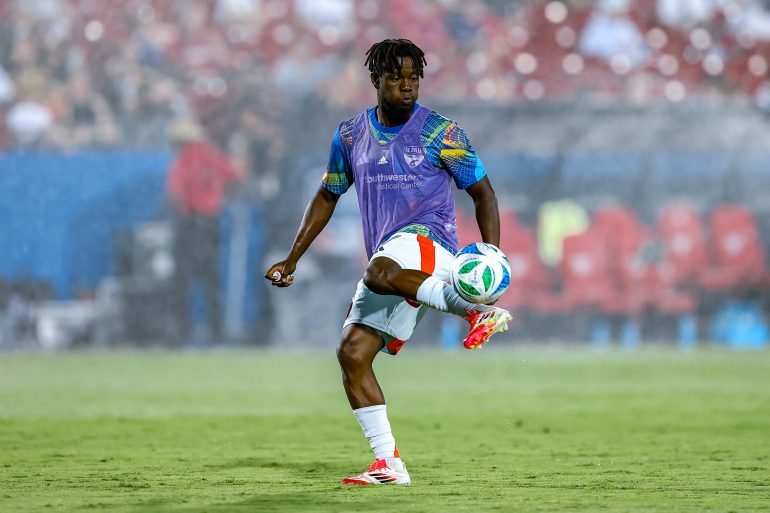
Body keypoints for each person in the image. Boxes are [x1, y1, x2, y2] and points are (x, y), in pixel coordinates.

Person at [264, 39, 511, 485]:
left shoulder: (442, 132)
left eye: (414, 78)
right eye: (396, 78)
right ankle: (389, 465)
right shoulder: (350, 135)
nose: (406, 87)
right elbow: (327, 194)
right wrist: (293, 258)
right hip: (393, 256)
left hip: (427, 240)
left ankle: (476, 308)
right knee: (352, 354)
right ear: (375, 80)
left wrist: (491, 251)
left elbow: (483, 193)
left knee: (378, 273)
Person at [166, 116, 242, 345]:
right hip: (211, 224)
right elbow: (236, 175)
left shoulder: (184, 158)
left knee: (183, 283)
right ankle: (217, 333)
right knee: (211, 282)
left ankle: (184, 333)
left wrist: (182, 211)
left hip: (190, 224)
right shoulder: (211, 154)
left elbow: (174, 192)